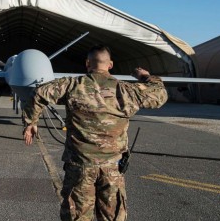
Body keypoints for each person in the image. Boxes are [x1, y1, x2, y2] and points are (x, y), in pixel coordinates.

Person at [22, 44, 168, 221]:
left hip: (80, 166)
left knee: (78, 216)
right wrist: (145, 76)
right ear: (110, 64)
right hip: (112, 168)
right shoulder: (126, 90)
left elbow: (38, 93)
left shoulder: (72, 85)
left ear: (87, 63)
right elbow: (159, 95)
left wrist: (31, 122)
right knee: (112, 217)